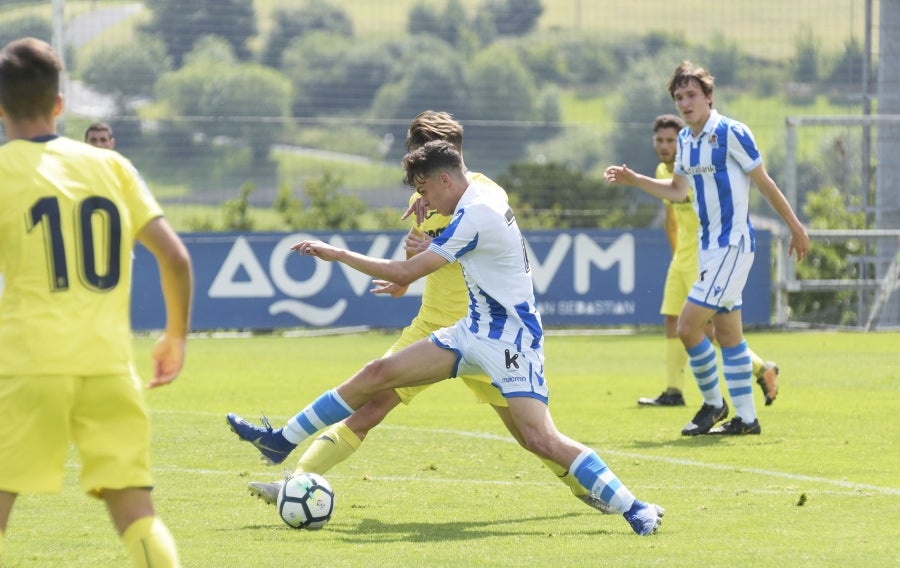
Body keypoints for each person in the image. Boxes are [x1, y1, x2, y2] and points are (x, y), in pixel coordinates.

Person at [228, 140, 664, 536]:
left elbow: (406, 271)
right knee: (377, 374)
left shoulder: (476, 216)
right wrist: (429, 204)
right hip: (470, 330)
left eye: (426, 191)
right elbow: (435, 229)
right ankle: (281, 440)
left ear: (445, 179)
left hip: (511, 342)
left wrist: (337, 253)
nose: (425, 201)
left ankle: (635, 506)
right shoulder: (478, 195)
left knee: (538, 438)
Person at [0, 38, 193, 566]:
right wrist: (175, 337)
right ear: (59, 104)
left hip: (26, 366)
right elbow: (175, 259)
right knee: (137, 516)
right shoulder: (113, 168)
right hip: (108, 369)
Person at [605, 61, 809, 435]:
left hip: (733, 245)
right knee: (729, 336)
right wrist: (635, 180)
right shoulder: (685, 140)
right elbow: (676, 191)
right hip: (708, 249)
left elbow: (764, 182)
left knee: (687, 326)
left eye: (691, 95)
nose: (685, 103)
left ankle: (714, 404)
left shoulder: (732, 132)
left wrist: (795, 227)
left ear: (709, 97)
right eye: (679, 97)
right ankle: (746, 419)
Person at [639, 114, 781, 407]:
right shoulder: (662, 171)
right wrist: (676, 254)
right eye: (660, 140)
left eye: (670, 140)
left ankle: (760, 369)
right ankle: (673, 391)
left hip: (706, 257)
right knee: (672, 321)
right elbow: (671, 218)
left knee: (709, 330)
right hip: (681, 259)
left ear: (681, 142)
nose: (665, 146)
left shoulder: (694, 170)